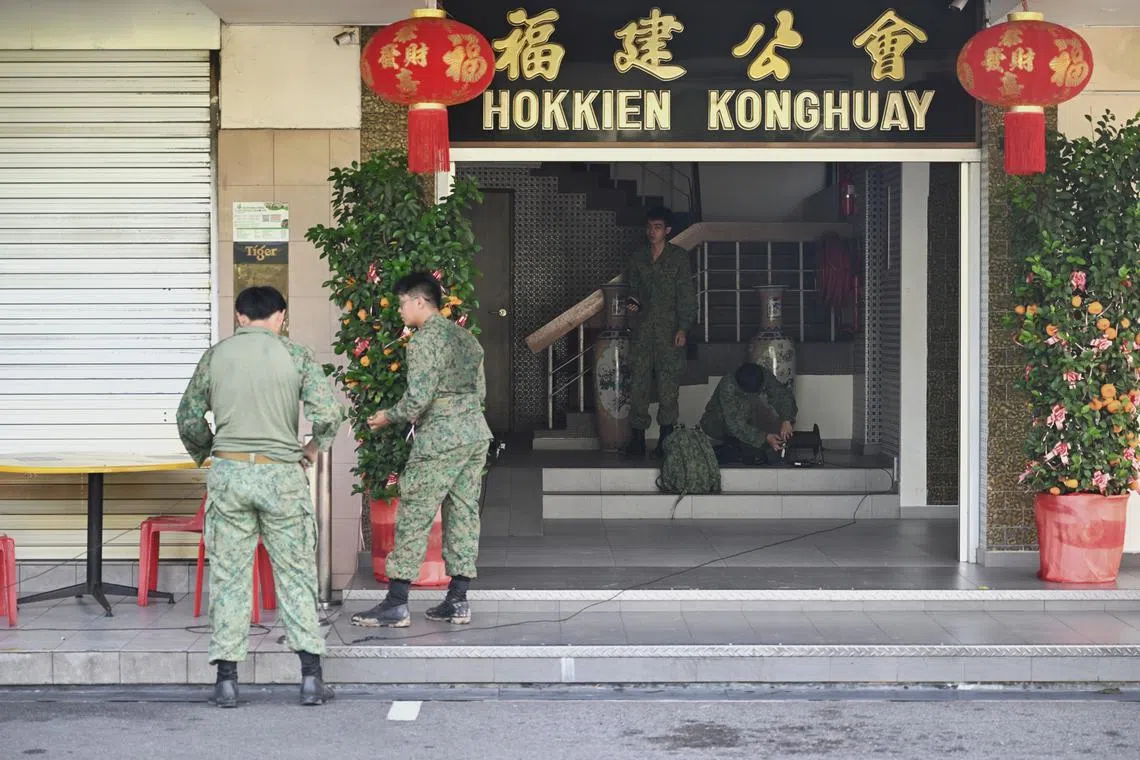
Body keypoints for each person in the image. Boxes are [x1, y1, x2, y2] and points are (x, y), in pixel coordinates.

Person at [176, 285, 346, 708]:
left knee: (230, 578)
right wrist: (310, 449)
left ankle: (227, 682)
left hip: (231, 474)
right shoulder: (297, 355)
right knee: (296, 575)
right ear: (281, 317)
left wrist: (209, 451)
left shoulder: (216, 357)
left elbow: (188, 418)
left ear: (239, 317)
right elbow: (329, 414)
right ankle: (310, 678)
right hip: (281, 476)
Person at [350, 272, 492, 629]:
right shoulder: (467, 340)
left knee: (414, 512)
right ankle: (457, 600)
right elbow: (482, 393)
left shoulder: (423, 341)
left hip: (441, 438)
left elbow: (418, 398)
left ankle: (396, 603)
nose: (400, 310)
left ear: (418, 302)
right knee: (463, 512)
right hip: (474, 433)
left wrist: (387, 416)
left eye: (401, 303)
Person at [624, 206, 698, 458]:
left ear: (667, 231)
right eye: (649, 227)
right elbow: (632, 291)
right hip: (643, 332)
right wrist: (632, 308)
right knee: (638, 387)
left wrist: (683, 327)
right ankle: (637, 440)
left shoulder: (678, 257)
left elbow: (686, 295)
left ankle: (666, 440)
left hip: (669, 332)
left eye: (657, 227)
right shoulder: (638, 258)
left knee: (668, 387)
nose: (651, 232)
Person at [700, 362, 798, 465]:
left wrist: (787, 420)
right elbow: (735, 424)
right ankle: (731, 449)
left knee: (765, 409)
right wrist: (765, 437)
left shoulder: (762, 374)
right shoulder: (728, 386)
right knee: (739, 447)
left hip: (746, 419)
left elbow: (782, 395)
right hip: (716, 423)